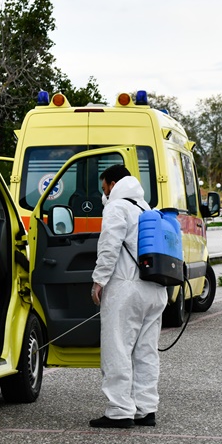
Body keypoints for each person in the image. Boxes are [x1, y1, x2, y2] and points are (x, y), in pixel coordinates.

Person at [90, 165, 168, 428]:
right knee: (145, 351)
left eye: (104, 188)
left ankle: (120, 410)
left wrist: (99, 280)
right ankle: (146, 409)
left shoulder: (117, 207)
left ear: (112, 184)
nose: (104, 193)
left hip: (126, 288)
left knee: (117, 348)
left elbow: (109, 245)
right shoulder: (147, 209)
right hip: (156, 288)